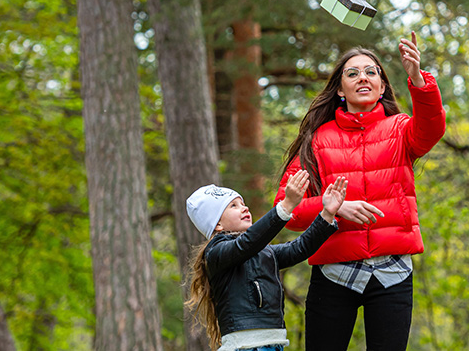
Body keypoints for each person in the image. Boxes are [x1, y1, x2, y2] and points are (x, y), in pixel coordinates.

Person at [273, 32, 446, 351]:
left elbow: (432, 127)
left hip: (392, 271)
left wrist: (418, 79)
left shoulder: (401, 130)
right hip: (334, 273)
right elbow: (287, 209)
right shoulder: (316, 141)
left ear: (382, 86)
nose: (362, 78)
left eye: (371, 72)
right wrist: (332, 209)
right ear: (340, 89)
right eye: (352, 73)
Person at [185, 170, 347, 351]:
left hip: (274, 343)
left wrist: (326, 214)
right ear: (217, 224)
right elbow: (246, 245)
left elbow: (297, 249)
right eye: (233, 206)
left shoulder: (263, 251)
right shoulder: (216, 253)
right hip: (244, 346)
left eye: (243, 204)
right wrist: (286, 206)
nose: (244, 208)